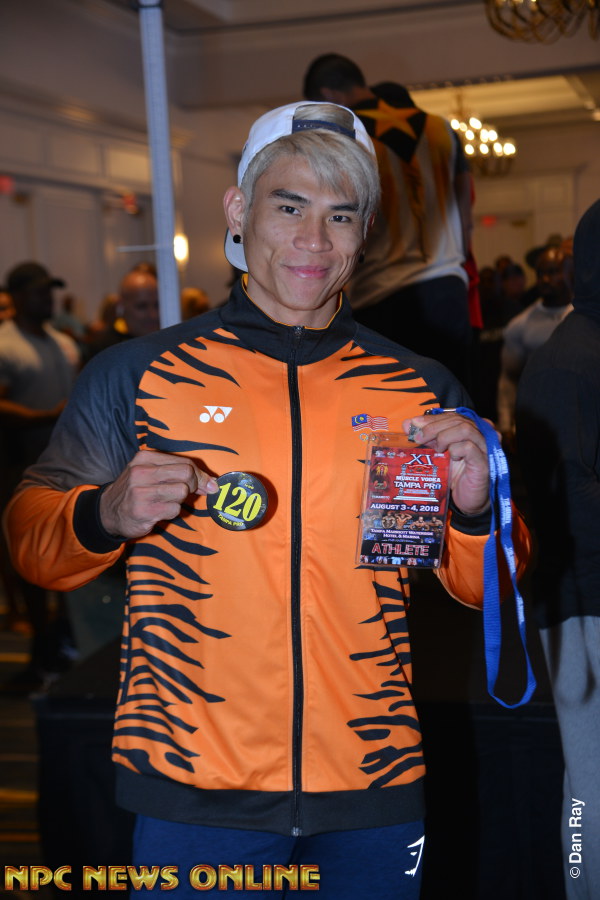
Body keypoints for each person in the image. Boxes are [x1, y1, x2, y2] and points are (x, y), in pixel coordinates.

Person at [4, 102, 530, 898]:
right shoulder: (138, 375)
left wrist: (477, 510)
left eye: (340, 215)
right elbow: (29, 543)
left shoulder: (420, 389)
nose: (314, 241)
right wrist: (102, 513)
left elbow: (489, 586)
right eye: (289, 207)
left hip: (374, 783)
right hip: (193, 785)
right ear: (238, 211)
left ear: (365, 232)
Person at [515, 199, 600, 900]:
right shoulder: (569, 361)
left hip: (585, 594)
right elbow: (566, 501)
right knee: (592, 785)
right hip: (584, 602)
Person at [303, 54, 473, 387]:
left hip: (380, 291)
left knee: (395, 408)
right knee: (452, 403)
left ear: (328, 95)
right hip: (447, 286)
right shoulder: (442, 128)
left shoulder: (344, 135)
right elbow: (466, 212)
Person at [0, 261, 80, 685]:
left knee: (67, 552)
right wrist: (45, 416)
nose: (47, 298)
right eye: (37, 291)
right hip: (20, 466)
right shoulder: (6, 344)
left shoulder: (61, 342)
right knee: (29, 559)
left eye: (50, 290)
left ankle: (60, 646)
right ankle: (39, 651)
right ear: (15, 296)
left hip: (65, 466)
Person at [497, 244, 573, 446]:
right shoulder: (520, 325)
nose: (545, 279)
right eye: (540, 274)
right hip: (541, 423)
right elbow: (509, 377)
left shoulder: (587, 316)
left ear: (570, 273)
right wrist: (506, 424)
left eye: (553, 272)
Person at [87, 262, 160, 357]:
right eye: (142, 306)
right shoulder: (104, 349)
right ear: (121, 305)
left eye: (157, 305)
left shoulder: (169, 341)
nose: (153, 315)